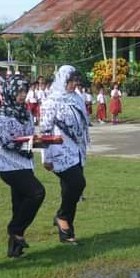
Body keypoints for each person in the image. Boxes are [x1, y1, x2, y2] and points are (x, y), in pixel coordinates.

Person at [0, 74, 46, 258]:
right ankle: (15, 229)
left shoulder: (26, 113)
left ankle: (14, 250)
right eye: (19, 91)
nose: (22, 95)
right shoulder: (2, 114)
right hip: (8, 165)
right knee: (37, 192)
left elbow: (28, 137)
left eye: (25, 91)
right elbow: (5, 142)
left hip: (25, 162)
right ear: (10, 91)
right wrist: (29, 143)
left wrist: (41, 141)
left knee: (19, 204)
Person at [40, 66, 90, 244]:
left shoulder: (77, 98)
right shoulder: (51, 100)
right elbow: (45, 130)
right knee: (77, 183)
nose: (74, 84)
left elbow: (83, 124)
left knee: (70, 190)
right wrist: (45, 157)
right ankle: (62, 217)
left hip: (76, 150)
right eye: (70, 80)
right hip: (59, 150)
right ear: (62, 79)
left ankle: (67, 231)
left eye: (76, 80)